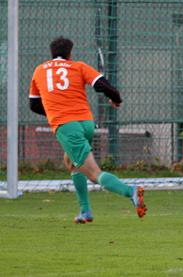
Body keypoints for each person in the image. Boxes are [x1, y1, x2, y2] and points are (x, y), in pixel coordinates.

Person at [29, 36, 147, 223]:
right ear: (70, 53)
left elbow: (34, 105)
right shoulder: (78, 66)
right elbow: (103, 85)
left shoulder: (39, 70)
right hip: (86, 123)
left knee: (93, 173)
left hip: (66, 126)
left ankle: (130, 191)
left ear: (51, 53)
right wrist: (116, 99)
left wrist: (55, 109)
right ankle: (85, 211)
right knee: (72, 163)